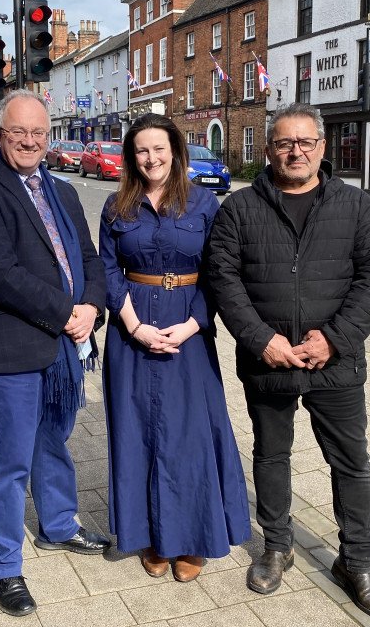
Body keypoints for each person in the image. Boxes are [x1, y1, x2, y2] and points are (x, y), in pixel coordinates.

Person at [207, 102, 370, 621]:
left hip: (335, 362)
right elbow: (224, 279)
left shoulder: (355, 205)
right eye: (285, 143)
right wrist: (260, 339)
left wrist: (334, 340)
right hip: (269, 360)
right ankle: (277, 546)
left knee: (351, 463)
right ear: (269, 150)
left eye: (305, 142)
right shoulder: (239, 209)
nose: (296, 151)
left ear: (322, 147)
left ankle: (356, 563)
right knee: (270, 456)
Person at [0, 90, 109, 617]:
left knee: (54, 438)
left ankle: (58, 525)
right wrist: (67, 311)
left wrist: (91, 307)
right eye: (18, 133)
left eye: (38, 133)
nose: (29, 142)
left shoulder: (63, 190)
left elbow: (90, 258)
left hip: (65, 343)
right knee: (8, 460)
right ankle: (4, 561)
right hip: (14, 344)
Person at [99, 114, 250, 583]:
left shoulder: (205, 204)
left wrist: (190, 326)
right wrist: (135, 326)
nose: (151, 158)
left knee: (190, 436)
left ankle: (192, 537)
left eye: (159, 149)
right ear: (132, 156)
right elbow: (105, 270)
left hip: (189, 329)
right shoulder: (115, 206)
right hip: (133, 331)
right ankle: (151, 537)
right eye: (142, 151)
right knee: (137, 434)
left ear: (175, 151)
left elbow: (220, 271)